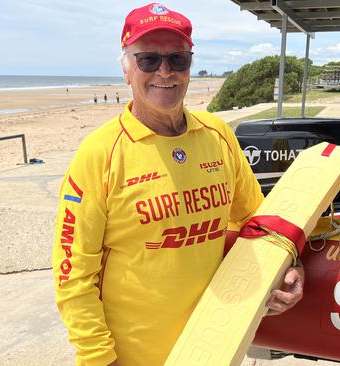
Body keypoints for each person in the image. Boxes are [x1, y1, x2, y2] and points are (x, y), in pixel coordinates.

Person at [53, 4, 304, 366]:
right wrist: (98, 359)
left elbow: (259, 218)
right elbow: (72, 274)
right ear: (127, 69)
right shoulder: (99, 154)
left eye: (178, 59)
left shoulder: (217, 134)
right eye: (149, 60)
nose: (165, 72)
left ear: (190, 66)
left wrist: (292, 264)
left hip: (215, 345)